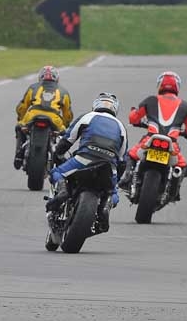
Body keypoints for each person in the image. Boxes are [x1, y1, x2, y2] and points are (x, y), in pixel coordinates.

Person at [46, 93, 127, 231]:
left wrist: (58, 155)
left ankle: (63, 191)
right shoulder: (121, 127)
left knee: (57, 172)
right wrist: (115, 180)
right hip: (108, 166)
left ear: (96, 105)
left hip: (84, 159)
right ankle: (105, 206)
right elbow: (122, 160)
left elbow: (68, 140)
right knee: (113, 194)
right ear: (115, 109)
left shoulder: (88, 116)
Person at [118, 71, 187, 201]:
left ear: (160, 85)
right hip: (171, 144)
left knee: (130, 156)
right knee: (182, 166)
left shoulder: (151, 100)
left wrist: (134, 114)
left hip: (150, 139)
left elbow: (134, 118)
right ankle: (174, 191)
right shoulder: (185, 106)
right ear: (177, 86)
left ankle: (126, 178)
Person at [14, 65, 73, 169]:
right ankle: (59, 155)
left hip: (32, 115)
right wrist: (65, 125)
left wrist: (21, 119)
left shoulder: (33, 88)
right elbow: (68, 114)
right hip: (54, 119)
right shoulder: (63, 91)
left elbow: (22, 107)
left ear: (40, 77)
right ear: (57, 78)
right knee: (62, 134)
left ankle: (19, 155)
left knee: (19, 127)